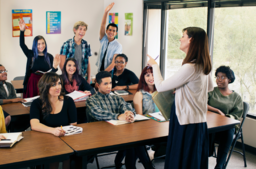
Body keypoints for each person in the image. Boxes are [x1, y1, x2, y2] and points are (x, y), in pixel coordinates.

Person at [147, 27, 213, 169]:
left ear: (191, 40)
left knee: (181, 160)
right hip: (198, 120)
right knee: (192, 159)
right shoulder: (203, 64)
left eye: (183, 36)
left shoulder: (190, 67)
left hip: (185, 120)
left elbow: (160, 86)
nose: (180, 39)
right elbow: (208, 88)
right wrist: (183, 89)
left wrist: (154, 66)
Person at [86, 71, 154, 169]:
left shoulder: (116, 98)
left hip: (119, 134)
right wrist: (118, 116)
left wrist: (128, 113)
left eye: (110, 83)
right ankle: (143, 167)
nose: (109, 86)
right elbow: (98, 113)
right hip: (101, 136)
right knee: (133, 140)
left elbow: (127, 106)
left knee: (135, 139)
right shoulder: (91, 100)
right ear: (97, 85)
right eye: (105, 84)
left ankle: (133, 166)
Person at [30, 72, 77, 169]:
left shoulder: (68, 101)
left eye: (59, 83)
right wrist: (53, 131)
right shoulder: (36, 103)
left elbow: (73, 124)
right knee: (54, 153)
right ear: (45, 86)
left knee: (68, 152)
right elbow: (34, 124)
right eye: (53, 85)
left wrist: (62, 133)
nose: (58, 87)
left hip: (65, 138)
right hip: (45, 140)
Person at [208, 66, 243, 169]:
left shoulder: (236, 97)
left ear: (230, 79)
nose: (219, 80)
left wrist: (224, 118)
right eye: (217, 77)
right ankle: (203, 158)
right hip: (210, 125)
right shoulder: (211, 91)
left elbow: (236, 116)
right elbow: (202, 104)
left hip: (225, 127)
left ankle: (219, 166)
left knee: (229, 129)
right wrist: (217, 111)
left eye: (223, 77)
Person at [18, 19, 60, 98]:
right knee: (33, 103)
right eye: (38, 44)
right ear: (35, 45)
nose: (41, 46)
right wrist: (22, 30)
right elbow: (22, 44)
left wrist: (55, 67)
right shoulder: (31, 54)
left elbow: (52, 74)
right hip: (33, 83)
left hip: (45, 83)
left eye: (43, 43)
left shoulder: (49, 56)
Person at [97, 2, 122, 72]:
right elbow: (102, 25)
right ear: (106, 30)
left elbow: (114, 63)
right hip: (100, 70)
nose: (111, 32)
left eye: (114, 31)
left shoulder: (118, 46)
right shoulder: (103, 39)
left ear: (116, 33)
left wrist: (103, 74)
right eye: (110, 30)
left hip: (110, 72)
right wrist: (105, 12)